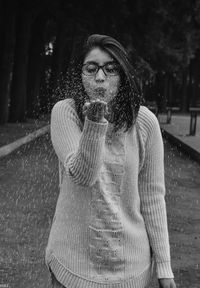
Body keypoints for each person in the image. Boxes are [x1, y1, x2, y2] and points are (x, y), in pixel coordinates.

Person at [45, 34, 176, 288]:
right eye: (91, 68)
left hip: (130, 270)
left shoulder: (145, 122)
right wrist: (94, 122)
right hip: (71, 267)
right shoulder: (65, 112)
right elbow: (83, 175)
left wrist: (164, 267)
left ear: (123, 75)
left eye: (111, 69)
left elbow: (152, 197)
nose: (100, 77)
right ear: (80, 74)